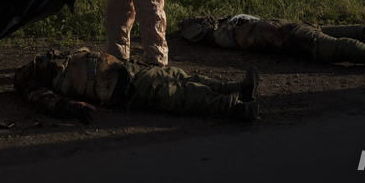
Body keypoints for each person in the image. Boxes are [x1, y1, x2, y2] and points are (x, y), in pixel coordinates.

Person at [14, 48, 260, 124]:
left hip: (128, 70)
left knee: (182, 77)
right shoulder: (30, 79)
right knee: (177, 93)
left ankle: (236, 88)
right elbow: (42, 99)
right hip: (118, 87)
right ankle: (234, 107)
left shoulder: (48, 59)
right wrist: (71, 107)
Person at [180, 14, 365, 67]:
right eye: (199, 20)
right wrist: (198, 26)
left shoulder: (234, 23)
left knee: (361, 29)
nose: (204, 18)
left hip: (302, 28)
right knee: (349, 47)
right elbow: (192, 32)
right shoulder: (223, 35)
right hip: (296, 40)